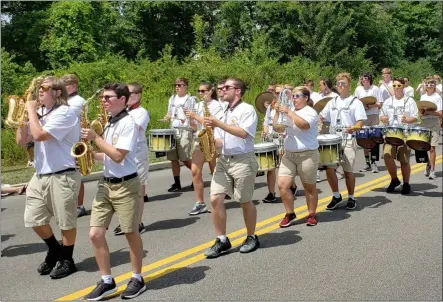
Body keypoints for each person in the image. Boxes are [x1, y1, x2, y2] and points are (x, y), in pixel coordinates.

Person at [81, 83, 146, 300]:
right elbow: (109, 155)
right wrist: (90, 153)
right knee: (95, 233)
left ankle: (137, 277)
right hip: (106, 183)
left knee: (130, 232)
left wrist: (95, 138)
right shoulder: (109, 122)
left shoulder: (129, 122)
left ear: (123, 99)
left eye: (108, 97)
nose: (103, 101)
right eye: (102, 97)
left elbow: (119, 155)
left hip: (126, 185)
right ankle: (107, 281)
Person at [16, 75, 81, 279]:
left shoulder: (66, 113)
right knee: (33, 218)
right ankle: (55, 249)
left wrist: (30, 112)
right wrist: (23, 119)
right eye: (39, 88)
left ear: (58, 92)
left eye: (45, 88)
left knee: (65, 221)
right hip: (41, 173)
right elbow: (21, 141)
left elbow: (40, 136)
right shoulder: (40, 113)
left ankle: (67, 260)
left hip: (63, 174)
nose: (40, 91)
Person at [203, 78, 260, 258]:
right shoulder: (224, 111)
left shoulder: (247, 110)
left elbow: (244, 133)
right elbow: (221, 140)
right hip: (224, 160)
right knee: (214, 199)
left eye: (227, 87)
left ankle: (251, 236)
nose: (222, 90)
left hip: (243, 160)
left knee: (244, 200)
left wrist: (218, 124)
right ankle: (222, 239)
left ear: (238, 91)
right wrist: (207, 140)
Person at [274, 86, 320, 227]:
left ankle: (311, 214)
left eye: (297, 96)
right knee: (282, 185)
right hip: (289, 154)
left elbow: (304, 126)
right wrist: (277, 112)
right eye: (293, 96)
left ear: (306, 98)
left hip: (307, 154)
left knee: (309, 187)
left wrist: (288, 112)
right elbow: (278, 128)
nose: (294, 98)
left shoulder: (310, 111)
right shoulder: (290, 110)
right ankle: (290, 213)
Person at [320, 72, 367, 210]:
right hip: (333, 141)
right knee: (329, 168)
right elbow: (322, 117)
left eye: (343, 84)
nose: (340, 86)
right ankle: (336, 195)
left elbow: (360, 122)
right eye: (338, 84)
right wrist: (318, 122)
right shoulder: (332, 102)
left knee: (348, 171)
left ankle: (351, 197)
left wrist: (355, 128)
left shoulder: (355, 102)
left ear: (349, 86)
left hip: (347, 139)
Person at [113, 82, 150, 235]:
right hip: (123, 154)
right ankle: (126, 221)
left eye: (131, 94)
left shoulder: (141, 112)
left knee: (139, 191)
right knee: (124, 190)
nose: (127, 97)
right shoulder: (122, 112)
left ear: (138, 95)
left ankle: (138, 222)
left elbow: (134, 130)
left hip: (137, 154)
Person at [185, 82, 223, 215]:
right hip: (200, 139)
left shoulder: (216, 105)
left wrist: (195, 116)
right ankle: (200, 203)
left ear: (210, 92)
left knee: (214, 170)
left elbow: (212, 124)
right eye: (199, 91)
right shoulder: (198, 105)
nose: (200, 93)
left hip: (211, 139)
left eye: (203, 91)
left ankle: (217, 197)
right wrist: (190, 120)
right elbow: (196, 126)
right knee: (195, 171)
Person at [380, 77, 418, 194]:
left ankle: (406, 184)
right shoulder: (388, 101)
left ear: (403, 87)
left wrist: (408, 119)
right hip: (391, 133)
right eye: (394, 86)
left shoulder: (409, 101)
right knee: (387, 156)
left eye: (399, 86)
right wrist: (383, 118)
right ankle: (394, 179)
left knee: (404, 160)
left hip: (405, 133)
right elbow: (381, 115)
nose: (396, 88)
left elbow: (415, 117)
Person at [261, 85, 298, 202]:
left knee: (284, 165)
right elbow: (267, 121)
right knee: (270, 167)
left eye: (281, 93)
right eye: (276, 93)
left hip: (284, 138)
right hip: (272, 138)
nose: (278, 95)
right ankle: (271, 193)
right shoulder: (271, 107)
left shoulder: (292, 106)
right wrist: (265, 131)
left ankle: (291, 185)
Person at [61, 74, 88, 218]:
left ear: (74, 86)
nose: (62, 88)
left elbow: (64, 116)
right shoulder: (65, 100)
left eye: (65, 85)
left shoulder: (78, 101)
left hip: (75, 143)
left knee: (76, 175)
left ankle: (80, 205)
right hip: (64, 144)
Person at [162, 78, 193, 192]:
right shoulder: (172, 98)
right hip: (173, 130)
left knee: (185, 158)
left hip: (184, 130)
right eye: (175, 85)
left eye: (180, 85)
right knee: (173, 158)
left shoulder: (190, 99)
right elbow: (169, 112)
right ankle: (177, 183)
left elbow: (193, 114)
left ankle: (196, 175)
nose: (177, 87)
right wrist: (166, 117)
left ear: (186, 86)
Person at [354, 72, 384, 173]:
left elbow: (380, 103)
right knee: (364, 139)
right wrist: (362, 107)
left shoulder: (375, 89)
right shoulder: (358, 89)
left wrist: (370, 106)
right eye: (363, 78)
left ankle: (374, 162)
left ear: (370, 79)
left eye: (366, 78)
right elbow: (355, 102)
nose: (364, 80)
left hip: (373, 115)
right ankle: (367, 162)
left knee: (374, 138)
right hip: (363, 116)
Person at [419, 78, 442, 179]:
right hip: (424, 122)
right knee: (424, 147)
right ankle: (428, 163)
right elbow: (420, 110)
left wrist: (429, 112)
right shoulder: (423, 96)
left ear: (434, 85)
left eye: (431, 84)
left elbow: (440, 113)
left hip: (434, 122)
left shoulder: (437, 97)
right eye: (427, 84)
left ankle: (432, 171)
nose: (429, 86)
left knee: (432, 148)